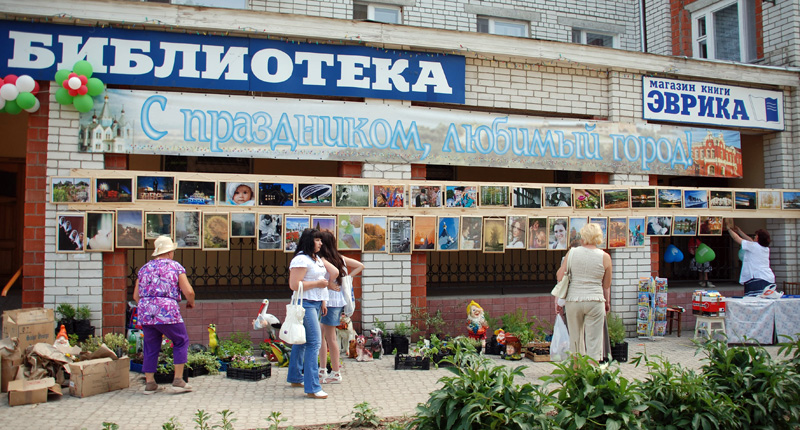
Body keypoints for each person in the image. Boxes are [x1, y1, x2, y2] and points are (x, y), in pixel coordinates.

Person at [133, 235, 196, 395]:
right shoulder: (175, 267)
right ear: (169, 252)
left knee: (150, 346)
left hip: (146, 312)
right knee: (180, 340)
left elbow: (135, 296)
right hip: (167, 311)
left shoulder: (144, 268)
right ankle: (178, 381)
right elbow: (188, 291)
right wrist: (191, 302)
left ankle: (150, 384)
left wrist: (148, 305)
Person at [287, 228, 339, 399]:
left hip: (315, 303)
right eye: (317, 240)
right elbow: (294, 285)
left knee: (302, 341)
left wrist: (323, 300)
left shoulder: (315, 258)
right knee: (314, 342)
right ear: (309, 241)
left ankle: (296, 377)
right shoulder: (301, 259)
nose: (320, 243)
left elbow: (322, 281)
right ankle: (312, 387)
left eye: (321, 240)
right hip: (305, 303)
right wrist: (317, 284)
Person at [554, 223, 612, 361]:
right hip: (595, 300)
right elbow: (606, 284)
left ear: (583, 236)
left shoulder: (572, 253)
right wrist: (607, 303)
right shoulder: (605, 257)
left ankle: (576, 370)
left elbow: (559, 276)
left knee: (575, 341)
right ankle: (592, 371)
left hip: (574, 300)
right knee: (594, 343)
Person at [316, 231, 364, 385]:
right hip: (336, 301)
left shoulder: (323, 260)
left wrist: (339, 280)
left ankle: (335, 372)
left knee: (328, 338)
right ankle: (323, 370)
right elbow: (360, 265)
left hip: (328, 301)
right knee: (324, 337)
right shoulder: (340, 258)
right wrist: (348, 278)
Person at [726, 221, 775, 296]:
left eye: (756, 236)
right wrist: (739, 231)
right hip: (768, 278)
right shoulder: (765, 248)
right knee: (766, 298)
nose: (754, 237)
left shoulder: (754, 246)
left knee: (754, 299)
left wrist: (728, 229)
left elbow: (736, 238)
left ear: (758, 238)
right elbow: (750, 240)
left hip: (757, 278)